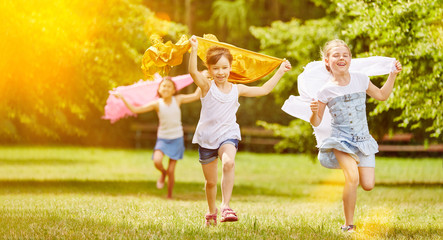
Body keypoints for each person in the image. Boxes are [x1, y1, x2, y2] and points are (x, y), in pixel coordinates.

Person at [188, 35, 292, 226]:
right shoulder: (206, 87)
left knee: (228, 162)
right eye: (216, 68)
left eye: (224, 68)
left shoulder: (237, 89)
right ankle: (212, 212)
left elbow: (264, 90)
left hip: (228, 135)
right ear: (210, 70)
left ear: (230, 68)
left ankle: (226, 206)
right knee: (210, 183)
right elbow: (193, 72)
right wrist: (194, 48)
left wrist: (280, 71)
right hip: (207, 138)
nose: (221, 72)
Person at [309, 39, 402, 232]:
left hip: (362, 139)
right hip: (340, 140)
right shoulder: (325, 90)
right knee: (352, 178)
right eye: (336, 55)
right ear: (327, 61)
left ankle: (351, 170)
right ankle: (348, 225)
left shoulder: (361, 79)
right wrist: (314, 111)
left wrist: (392, 75)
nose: (341, 58)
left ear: (350, 59)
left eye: (345, 55)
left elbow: (382, 95)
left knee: (367, 184)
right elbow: (316, 122)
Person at [113, 77, 201, 199]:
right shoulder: (157, 104)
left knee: (172, 171)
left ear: (174, 90)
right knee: (157, 161)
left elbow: (196, 95)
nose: (166, 88)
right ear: (159, 89)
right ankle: (163, 173)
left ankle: (169, 195)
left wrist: (203, 78)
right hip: (163, 139)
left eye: (169, 86)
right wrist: (122, 98)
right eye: (163, 86)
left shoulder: (178, 99)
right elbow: (136, 109)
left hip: (176, 138)